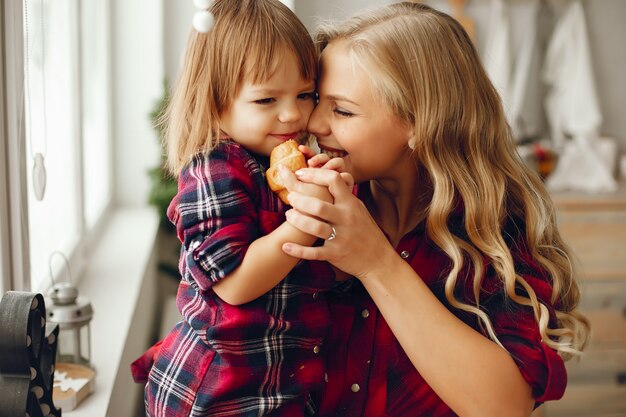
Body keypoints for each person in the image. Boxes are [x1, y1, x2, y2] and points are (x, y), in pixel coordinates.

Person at [278, 3, 591, 416]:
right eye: (318, 100)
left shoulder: (493, 229)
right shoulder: (308, 206)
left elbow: (505, 407)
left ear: (422, 121)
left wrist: (376, 264)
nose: (313, 122)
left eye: (342, 109)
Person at [130, 1, 338, 416]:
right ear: (213, 101)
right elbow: (234, 284)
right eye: (266, 100)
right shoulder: (214, 168)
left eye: (305, 94)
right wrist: (306, 220)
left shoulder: (277, 161)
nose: (292, 113)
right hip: (217, 395)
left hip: (276, 386)